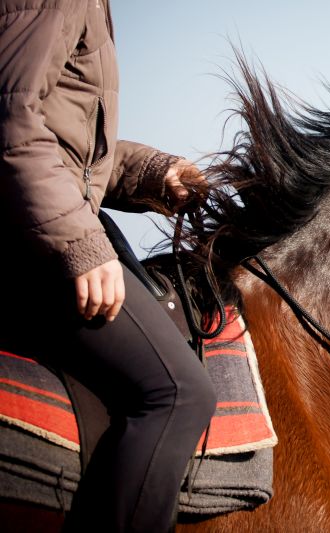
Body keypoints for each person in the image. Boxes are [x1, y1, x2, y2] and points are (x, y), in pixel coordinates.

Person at [0, 1, 217, 531]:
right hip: (26, 241)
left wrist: (153, 172)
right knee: (181, 394)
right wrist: (83, 245)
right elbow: (10, 118)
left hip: (37, 220)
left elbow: (67, 141)